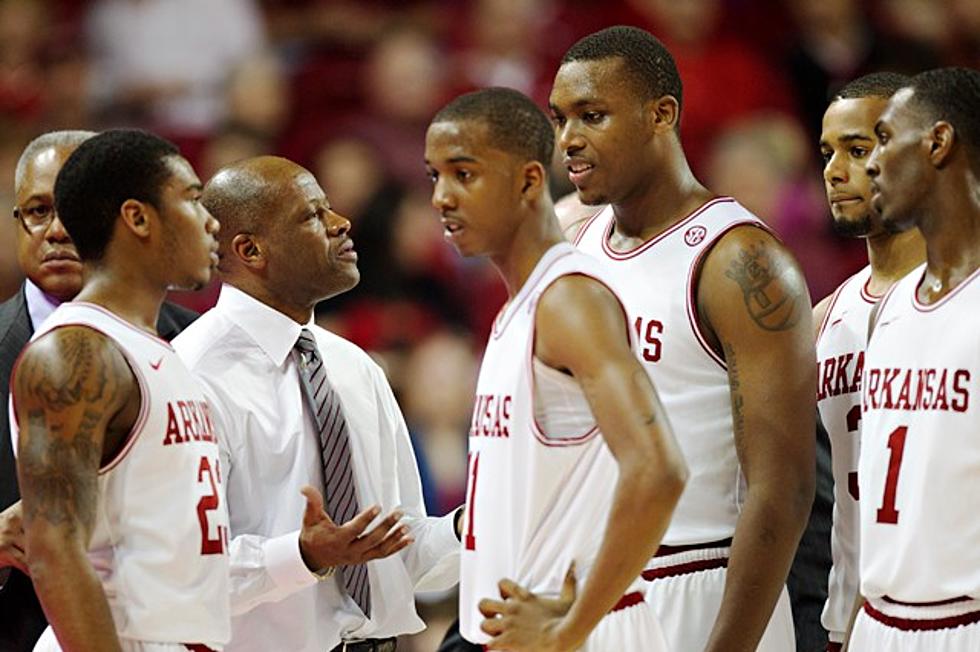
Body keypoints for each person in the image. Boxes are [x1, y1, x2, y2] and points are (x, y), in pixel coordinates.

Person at [550, 26, 816, 652]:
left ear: (660, 114)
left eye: (592, 115)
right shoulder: (575, 247)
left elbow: (783, 490)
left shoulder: (738, 259)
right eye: (560, 119)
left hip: (702, 580)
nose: (569, 139)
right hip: (592, 586)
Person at [426, 87, 688, 651]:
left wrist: (570, 630)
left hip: (579, 632)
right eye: (434, 177)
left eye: (463, 175)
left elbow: (660, 469)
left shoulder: (568, 300)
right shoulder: (518, 310)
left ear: (528, 181)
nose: (442, 197)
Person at [172, 155, 462, 652]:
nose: (341, 222)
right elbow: (183, 574)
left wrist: (470, 524)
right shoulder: (190, 376)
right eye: (312, 215)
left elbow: (401, 556)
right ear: (250, 249)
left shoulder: (354, 367)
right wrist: (301, 555)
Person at [10, 129, 228, 651]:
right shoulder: (74, 353)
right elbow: (54, 551)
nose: (210, 220)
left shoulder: (160, 345)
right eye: (193, 200)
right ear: (137, 217)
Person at [851, 66, 980, 651]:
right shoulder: (892, 304)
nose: (870, 164)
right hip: (878, 621)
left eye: (882, 138)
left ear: (938, 141)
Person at [813, 72, 927, 651]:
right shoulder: (823, 318)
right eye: (828, 153)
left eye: (858, 151)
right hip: (848, 623)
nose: (835, 171)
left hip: (944, 613)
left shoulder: (962, 303)